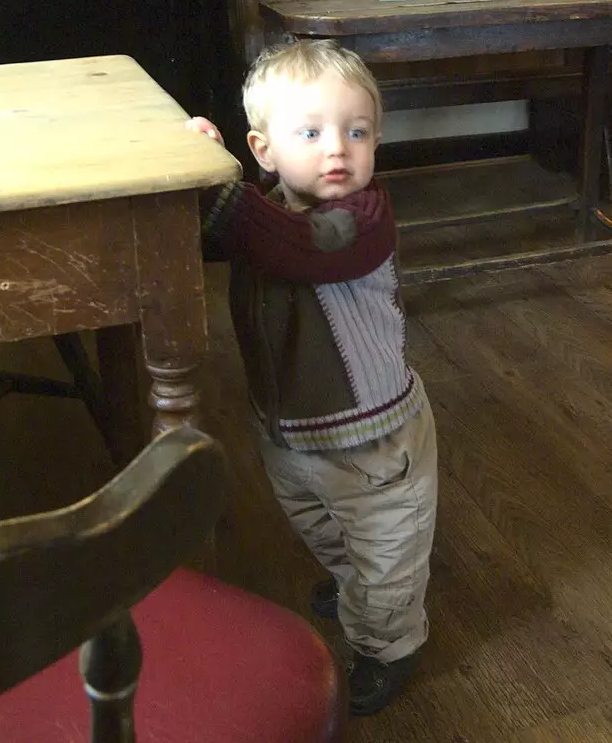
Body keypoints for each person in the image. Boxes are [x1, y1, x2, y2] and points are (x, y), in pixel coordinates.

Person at [185, 40, 437, 717]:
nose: (338, 150)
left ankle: (391, 646)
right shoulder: (270, 206)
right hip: (289, 426)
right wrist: (198, 173)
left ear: (377, 142)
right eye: (311, 132)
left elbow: (296, 248)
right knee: (317, 521)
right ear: (264, 151)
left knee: (388, 549)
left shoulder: (362, 219)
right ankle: (349, 576)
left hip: (372, 437)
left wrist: (221, 189)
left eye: (357, 132)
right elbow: (221, 237)